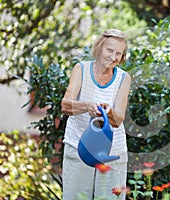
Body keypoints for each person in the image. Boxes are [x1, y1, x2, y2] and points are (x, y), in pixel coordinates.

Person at [61, 29, 131, 200]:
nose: (113, 57)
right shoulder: (81, 69)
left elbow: (119, 119)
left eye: (118, 53)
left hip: (112, 151)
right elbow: (65, 105)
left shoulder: (124, 78)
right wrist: (86, 106)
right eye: (109, 50)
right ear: (99, 48)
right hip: (79, 146)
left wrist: (109, 112)